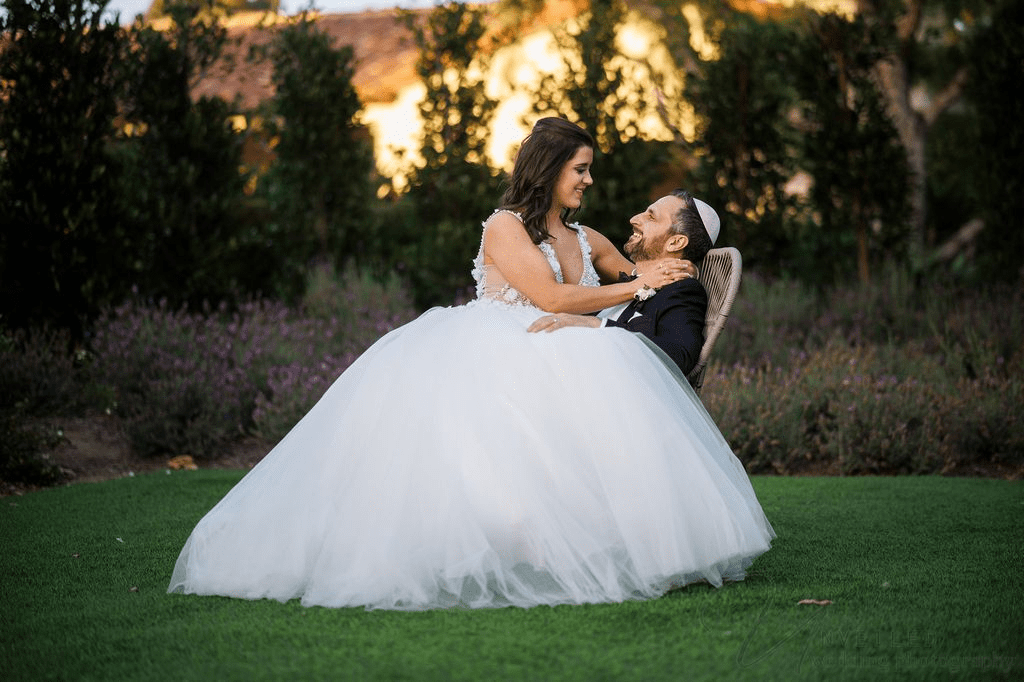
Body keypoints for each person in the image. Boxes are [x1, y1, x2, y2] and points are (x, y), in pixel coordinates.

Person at [168, 118, 774, 611]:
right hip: (497, 340)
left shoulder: (589, 239)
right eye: (580, 169)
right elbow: (556, 298)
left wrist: (671, 271)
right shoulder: (505, 229)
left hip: (558, 345)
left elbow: (646, 276)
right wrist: (628, 290)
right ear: (550, 169)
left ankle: (571, 540)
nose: (589, 180)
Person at [527, 189, 717, 377]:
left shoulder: (682, 290)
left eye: (651, 217)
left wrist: (598, 326)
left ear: (675, 243)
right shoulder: (635, 282)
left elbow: (679, 356)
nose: (634, 219)